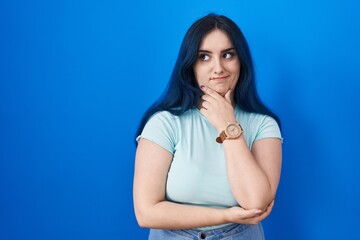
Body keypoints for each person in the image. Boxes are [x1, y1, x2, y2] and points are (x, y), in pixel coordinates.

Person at [133, 13, 282, 240]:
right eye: (204, 57)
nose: (218, 67)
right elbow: (146, 213)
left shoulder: (264, 125)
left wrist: (229, 125)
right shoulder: (164, 122)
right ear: (189, 64)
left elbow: (255, 203)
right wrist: (226, 216)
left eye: (228, 55)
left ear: (240, 60)